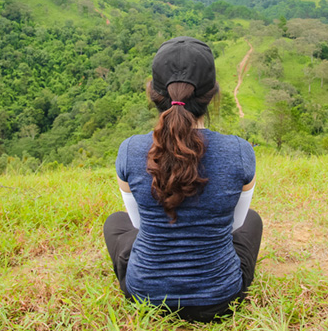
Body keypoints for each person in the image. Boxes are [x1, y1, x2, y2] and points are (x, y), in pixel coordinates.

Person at [103, 36, 263, 323]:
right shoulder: (239, 151)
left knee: (116, 223)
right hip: (220, 299)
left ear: (154, 93)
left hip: (145, 295)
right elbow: (235, 225)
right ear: (212, 94)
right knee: (252, 221)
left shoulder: (130, 150)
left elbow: (139, 224)